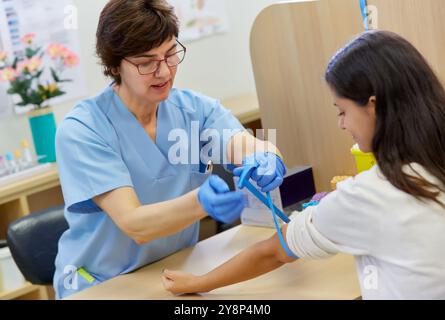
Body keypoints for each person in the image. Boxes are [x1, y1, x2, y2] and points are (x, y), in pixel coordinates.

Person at [162, 30, 445, 300]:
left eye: (342, 111)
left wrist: (197, 283)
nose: (342, 124)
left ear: (372, 105)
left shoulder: (369, 195)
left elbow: (273, 252)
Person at [53, 0, 285, 299]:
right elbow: (134, 224)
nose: (163, 72)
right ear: (114, 65)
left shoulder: (192, 109)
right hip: (103, 283)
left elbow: (242, 143)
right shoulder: (84, 129)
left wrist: (267, 157)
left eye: (170, 53)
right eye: (146, 62)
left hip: (172, 272)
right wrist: (201, 202)